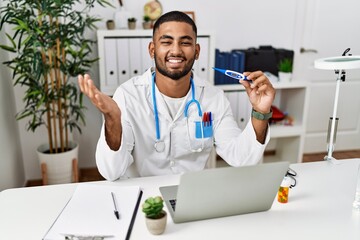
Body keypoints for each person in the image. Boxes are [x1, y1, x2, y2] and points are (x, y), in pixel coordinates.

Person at [78, 11, 275, 180]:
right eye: (166, 42)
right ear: (152, 49)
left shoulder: (214, 98)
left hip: (194, 196)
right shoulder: (128, 96)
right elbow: (111, 172)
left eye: (185, 42)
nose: (176, 50)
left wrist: (260, 111)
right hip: (144, 202)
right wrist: (113, 119)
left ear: (196, 52)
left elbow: (241, 158)